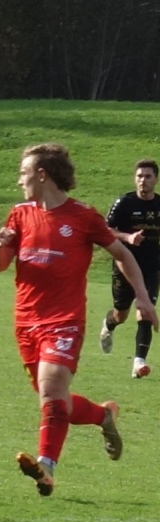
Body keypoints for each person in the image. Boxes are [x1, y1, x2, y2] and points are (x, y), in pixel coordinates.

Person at [0, 143, 158, 497]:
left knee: (52, 392)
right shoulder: (19, 214)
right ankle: (103, 416)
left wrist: (143, 297)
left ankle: (46, 468)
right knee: (55, 402)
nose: (19, 180)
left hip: (65, 321)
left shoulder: (83, 217)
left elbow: (123, 254)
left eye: (23, 173)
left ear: (42, 175)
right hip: (26, 322)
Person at [98, 159, 160, 378]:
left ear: (156, 180)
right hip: (124, 264)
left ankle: (139, 363)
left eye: (148, 176)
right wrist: (127, 237)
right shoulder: (124, 202)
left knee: (145, 311)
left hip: (151, 268)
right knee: (121, 314)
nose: (143, 180)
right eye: (139, 176)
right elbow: (105, 230)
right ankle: (109, 324)